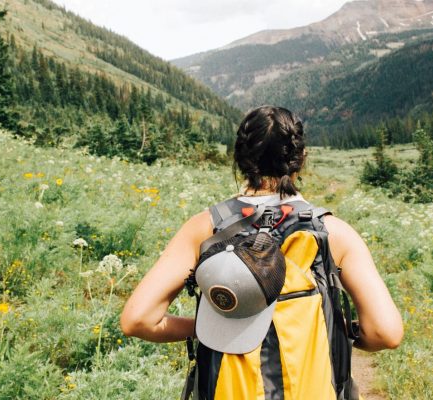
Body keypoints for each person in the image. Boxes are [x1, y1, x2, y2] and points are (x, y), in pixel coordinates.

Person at [120, 105, 403, 397]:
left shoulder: (205, 228)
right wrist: (337, 328)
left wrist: (203, 327)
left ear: (240, 159)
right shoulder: (333, 233)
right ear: (300, 159)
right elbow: (386, 332)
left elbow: (138, 320)